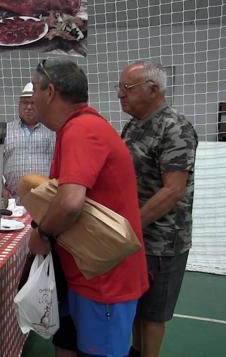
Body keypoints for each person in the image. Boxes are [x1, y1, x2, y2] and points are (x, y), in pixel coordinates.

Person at [27, 58, 149, 357]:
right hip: (88, 274)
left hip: (104, 282)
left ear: (50, 92)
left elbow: (70, 202)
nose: (32, 99)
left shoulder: (82, 129)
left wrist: (41, 234)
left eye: (35, 91)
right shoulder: (78, 128)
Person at [119, 61, 198, 357]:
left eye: (126, 88)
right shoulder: (133, 125)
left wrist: (129, 226)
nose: (119, 95)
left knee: (153, 314)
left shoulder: (175, 127)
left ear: (152, 89)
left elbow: (173, 189)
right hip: (136, 236)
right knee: (137, 306)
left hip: (163, 240)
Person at [0, 82, 55, 203]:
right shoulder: (6, 130)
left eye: (33, 103)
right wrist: (1, 189)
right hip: (15, 200)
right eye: (25, 103)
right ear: (19, 105)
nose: (28, 107)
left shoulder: (52, 130)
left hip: (47, 200)